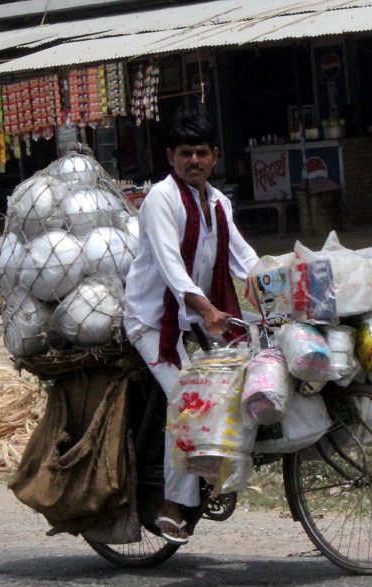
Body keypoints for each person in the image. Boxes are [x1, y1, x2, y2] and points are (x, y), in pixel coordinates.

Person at [123, 111, 259, 545]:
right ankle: (172, 504)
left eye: (202, 152)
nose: (194, 160)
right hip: (153, 322)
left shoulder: (219, 203)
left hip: (194, 318)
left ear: (215, 157)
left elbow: (246, 261)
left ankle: (214, 464)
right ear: (171, 157)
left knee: (251, 368)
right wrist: (207, 311)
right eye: (186, 154)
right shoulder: (160, 200)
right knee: (188, 398)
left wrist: (289, 285)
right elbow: (171, 268)